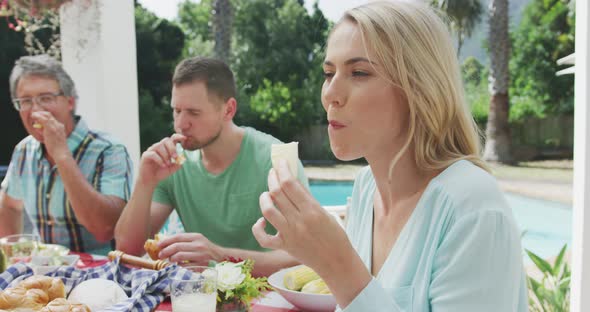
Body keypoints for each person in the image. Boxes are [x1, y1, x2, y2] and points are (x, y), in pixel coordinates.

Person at [252, 1, 528, 311]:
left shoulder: (472, 209)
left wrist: (337, 263)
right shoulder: (366, 188)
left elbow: (354, 290)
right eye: (329, 73)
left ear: (420, 87)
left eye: (358, 72)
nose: (330, 93)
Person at [114, 57, 309, 276]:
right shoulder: (173, 164)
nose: (181, 123)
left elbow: (304, 256)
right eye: (176, 111)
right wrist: (145, 181)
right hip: (199, 295)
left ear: (228, 110)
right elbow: (126, 250)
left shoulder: (274, 159)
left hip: (270, 298)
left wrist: (219, 255)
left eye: (193, 113)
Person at [0, 55, 133, 255]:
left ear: (70, 102)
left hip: (100, 277)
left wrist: (62, 155)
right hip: (46, 275)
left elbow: (105, 229)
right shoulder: (24, 150)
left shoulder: (109, 150)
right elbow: (9, 206)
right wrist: (13, 256)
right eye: (26, 101)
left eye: (46, 98)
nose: (35, 110)